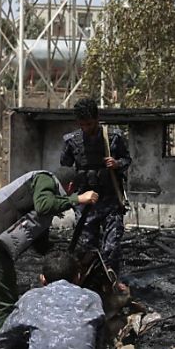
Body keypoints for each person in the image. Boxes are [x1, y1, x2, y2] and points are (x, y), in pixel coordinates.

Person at [0, 167, 98, 349]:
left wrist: (64, 259)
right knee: (1, 299)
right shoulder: (45, 179)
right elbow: (44, 205)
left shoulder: (43, 201)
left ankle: (6, 343)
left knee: (8, 293)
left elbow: (40, 244)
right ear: (70, 186)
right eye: (72, 192)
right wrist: (78, 199)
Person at [0, 251, 104, 349]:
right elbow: (97, 346)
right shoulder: (92, 299)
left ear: (42, 279)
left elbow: (5, 337)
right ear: (78, 277)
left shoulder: (31, 298)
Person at [60, 97, 131, 274]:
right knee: (87, 248)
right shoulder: (71, 141)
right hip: (86, 202)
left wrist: (116, 164)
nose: (87, 128)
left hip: (110, 200)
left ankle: (112, 280)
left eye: (90, 124)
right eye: (82, 124)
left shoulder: (113, 137)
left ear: (97, 119)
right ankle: (90, 282)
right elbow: (65, 165)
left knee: (111, 247)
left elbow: (127, 160)